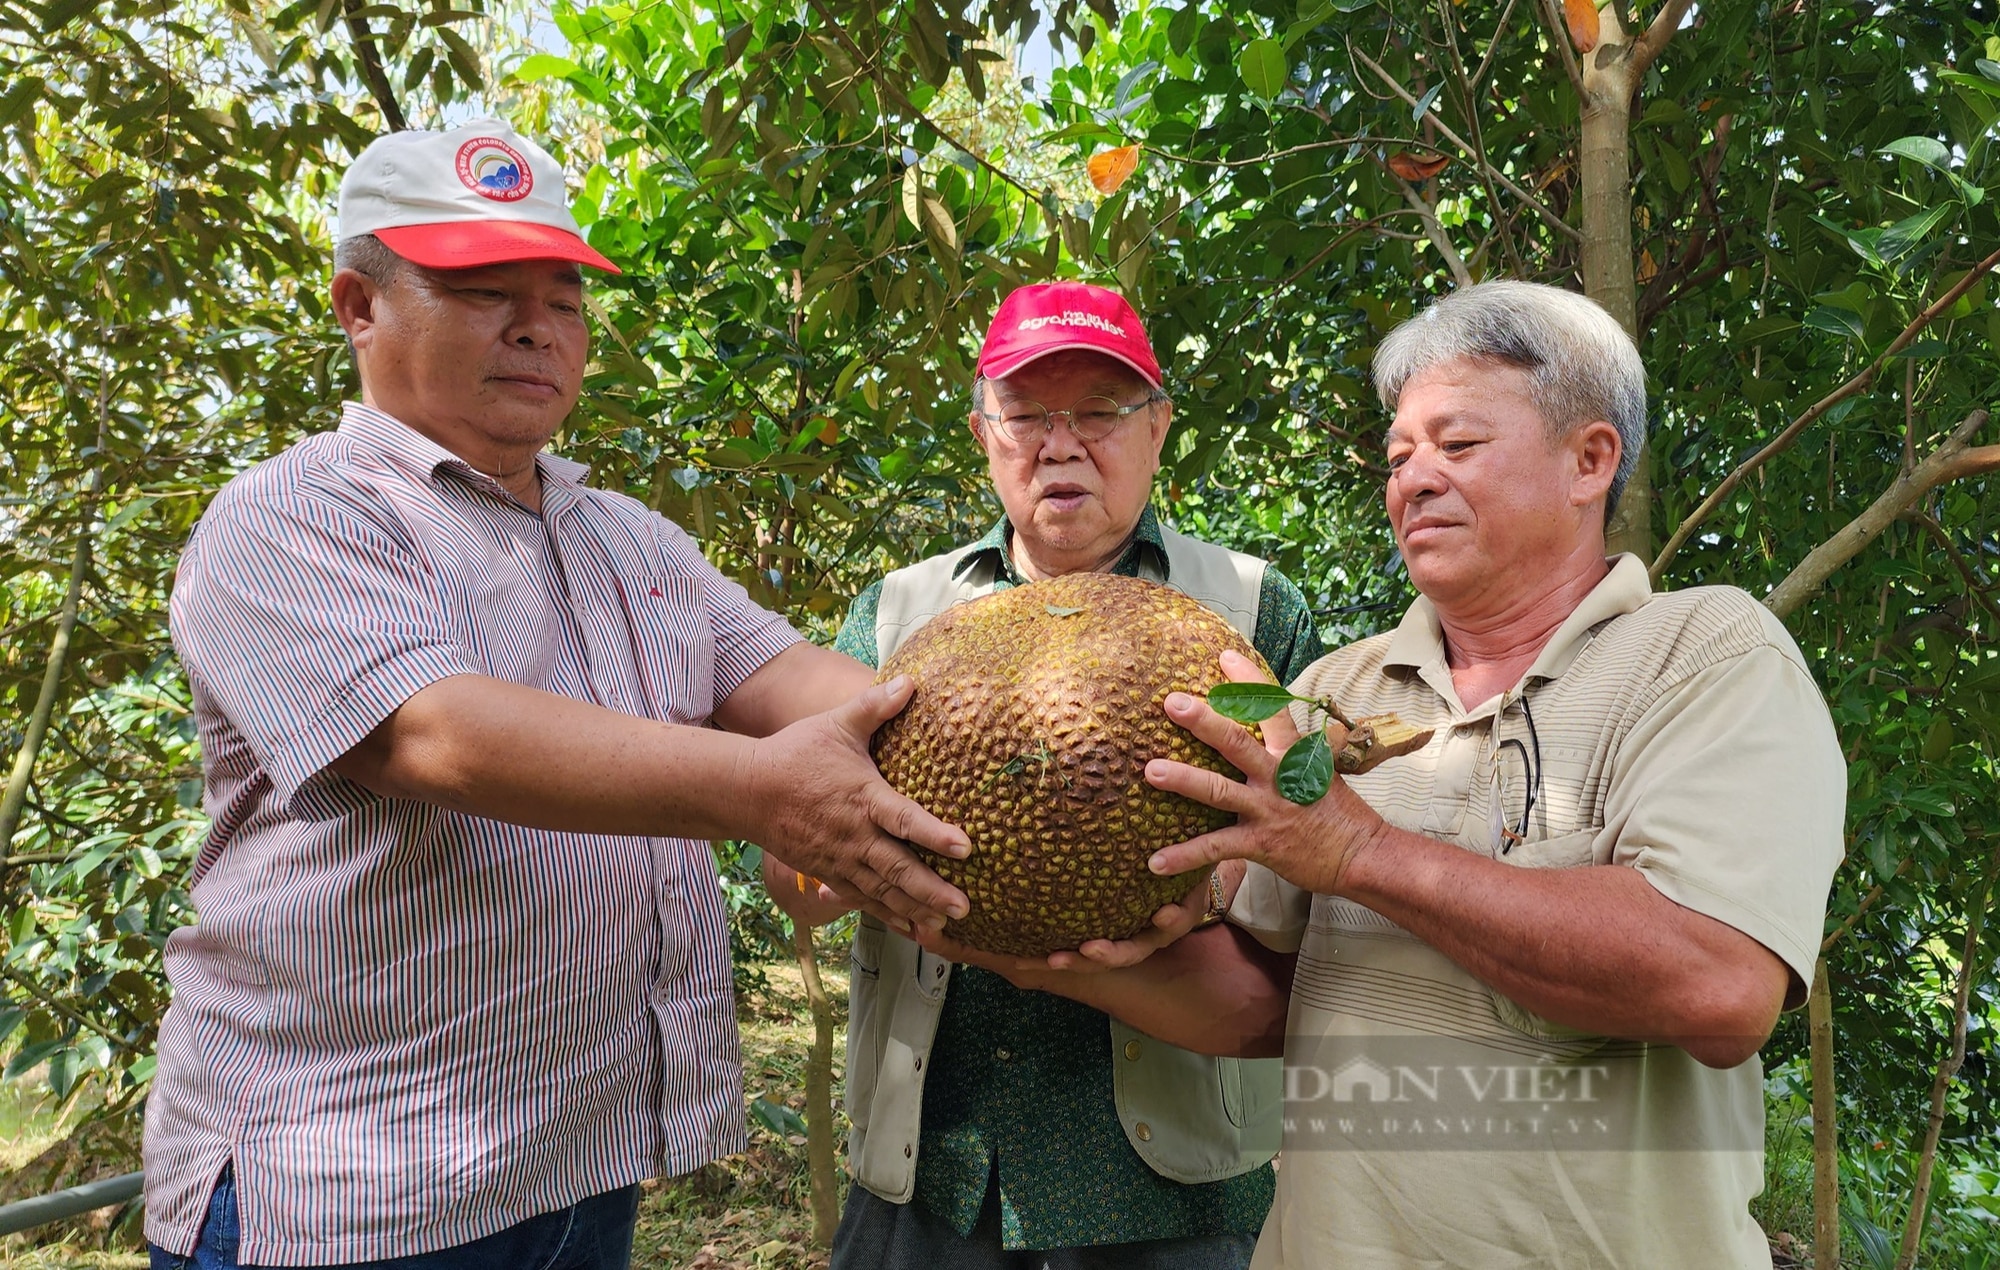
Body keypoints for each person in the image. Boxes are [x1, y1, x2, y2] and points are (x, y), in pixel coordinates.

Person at [144, 119, 972, 1270]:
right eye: (483, 288)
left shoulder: (625, 536)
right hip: (354, 1193)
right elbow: (441, 735)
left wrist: (1007, 725)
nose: (537, 325)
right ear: (358, 305)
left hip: (577, 1165)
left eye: (565, 298)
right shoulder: (292, 516)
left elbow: (809, 685)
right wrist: (768, 794)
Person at [942, 280, 1847, 1267]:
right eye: (1398, 455)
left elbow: (1716, 984)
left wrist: (1360, 851)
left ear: (1588, 461)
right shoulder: (1335, 690)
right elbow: (1267, 1002)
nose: (1413, 479)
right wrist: (1023, 944)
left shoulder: (1707, 654)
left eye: (1456, 447)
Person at [764, 281, 1324, 1268]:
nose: (1058, 444)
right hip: (936, 1165)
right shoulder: (894, 618)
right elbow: (795, 877)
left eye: (1099, 412)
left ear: (1156, 431)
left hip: (1174, 1185)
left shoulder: (1250, 610)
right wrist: (842, 862)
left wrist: (1213, 886)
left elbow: (1315, 863)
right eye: (1025, 415)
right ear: (986, 435)